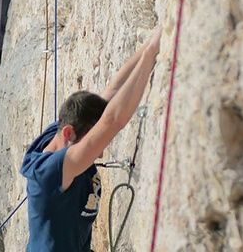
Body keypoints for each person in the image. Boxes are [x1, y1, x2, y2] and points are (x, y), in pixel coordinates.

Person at [20, 27, 162, 251]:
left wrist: (152, 45)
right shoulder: (51, 172)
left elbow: (112, 93)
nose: (100, 152)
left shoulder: (61, 135)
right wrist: (151, 52)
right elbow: (113, 121)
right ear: (69, 134)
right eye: (92, 142)